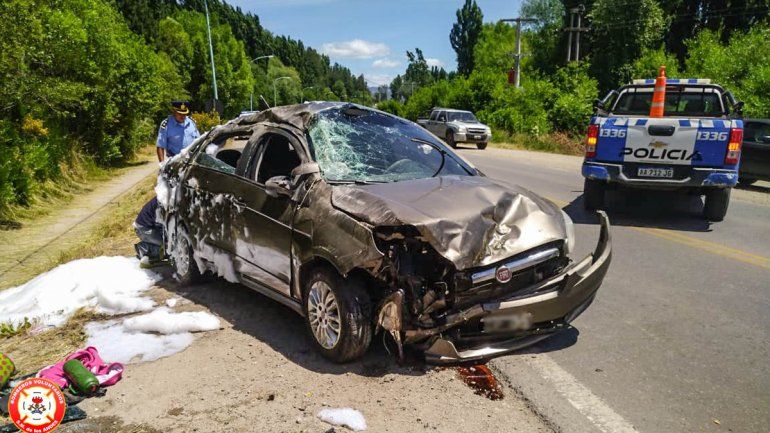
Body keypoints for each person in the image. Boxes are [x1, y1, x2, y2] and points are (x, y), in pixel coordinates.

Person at [134, 197, 165, 267]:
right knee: (164, 243)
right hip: (143, 228)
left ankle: (154, 253)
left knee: (166, 241)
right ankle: (142, 249)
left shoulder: (163, 198)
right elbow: (159, 222)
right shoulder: (161, 203)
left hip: (147, 226)